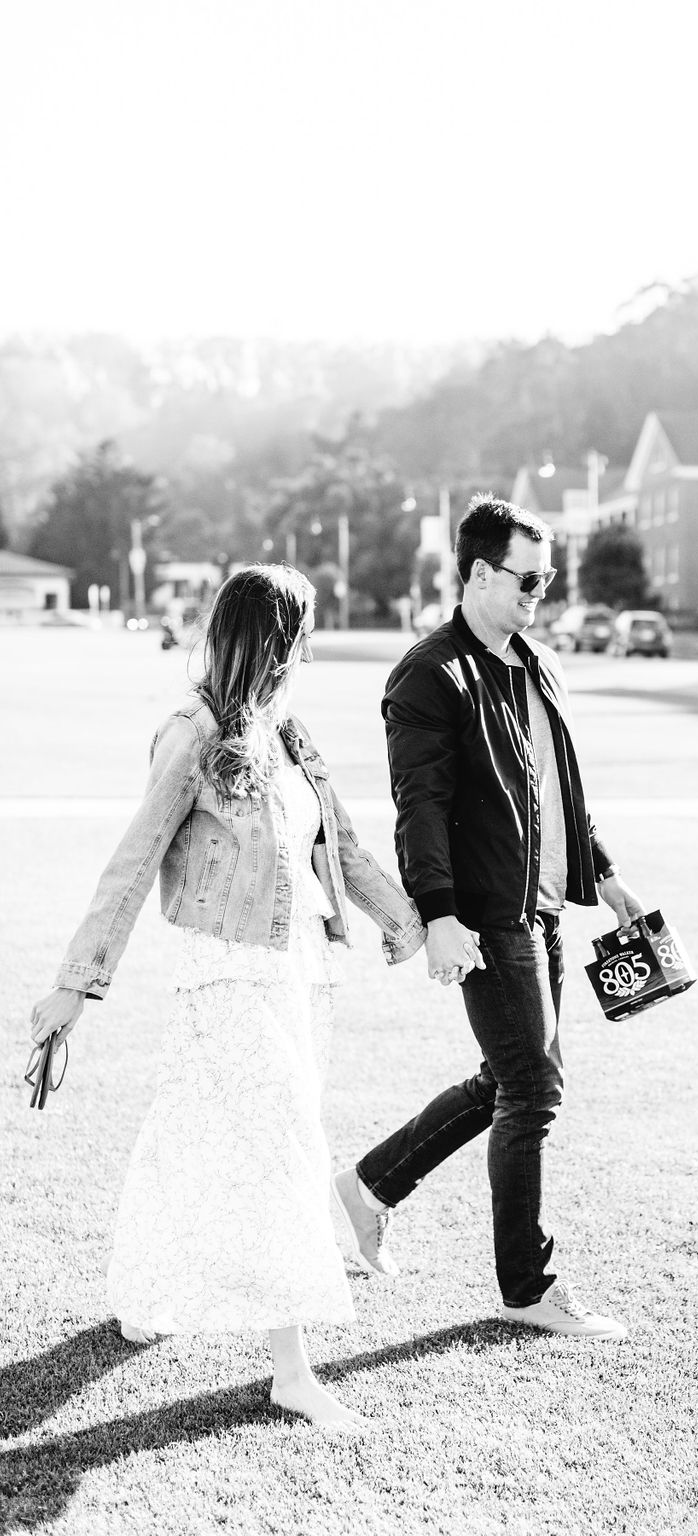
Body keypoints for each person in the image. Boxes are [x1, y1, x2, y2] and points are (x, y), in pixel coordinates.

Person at [29, 565, 425, 1432]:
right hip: (227, 970)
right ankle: (292, 1373)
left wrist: (416, 926)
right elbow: (135, 859)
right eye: (304, 635)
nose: (311, 652)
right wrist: (75, 984)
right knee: (287, 1147)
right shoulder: (195, 733)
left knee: (188, 1126)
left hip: (300, 969)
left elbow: (344, 848)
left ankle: (144, 1292)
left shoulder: (293, 736)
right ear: (276, 641)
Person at [330, 496, 645, 1340]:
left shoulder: (539, 665)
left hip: (544, 908)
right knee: (533, 1089)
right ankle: (526, 1288)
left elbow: (560, 790)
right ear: (477, 574)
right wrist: (438, 915)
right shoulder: (430, 674)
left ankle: (368, 1187)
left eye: (548, 578)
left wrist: (606, 874)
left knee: (509, 1079)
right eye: (528, 579)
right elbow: (419, 807)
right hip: (486, 914)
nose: (541, 593)